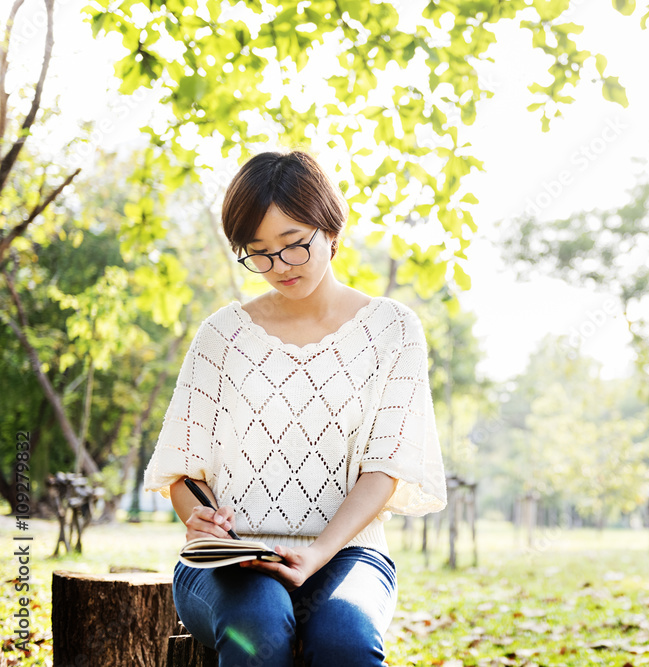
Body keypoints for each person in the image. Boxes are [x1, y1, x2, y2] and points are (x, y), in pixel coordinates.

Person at [143, 149, 447, 667]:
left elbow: (385, 470)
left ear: (330, 230)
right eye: (257, 252)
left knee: (345, 640)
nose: (277, 267)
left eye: (293, 245)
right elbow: (181, 471)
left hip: (349, 555)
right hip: (228, 564)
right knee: (257, 629)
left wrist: (317, 554)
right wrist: (202, 521)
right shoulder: (222, 335)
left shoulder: (392, 331)